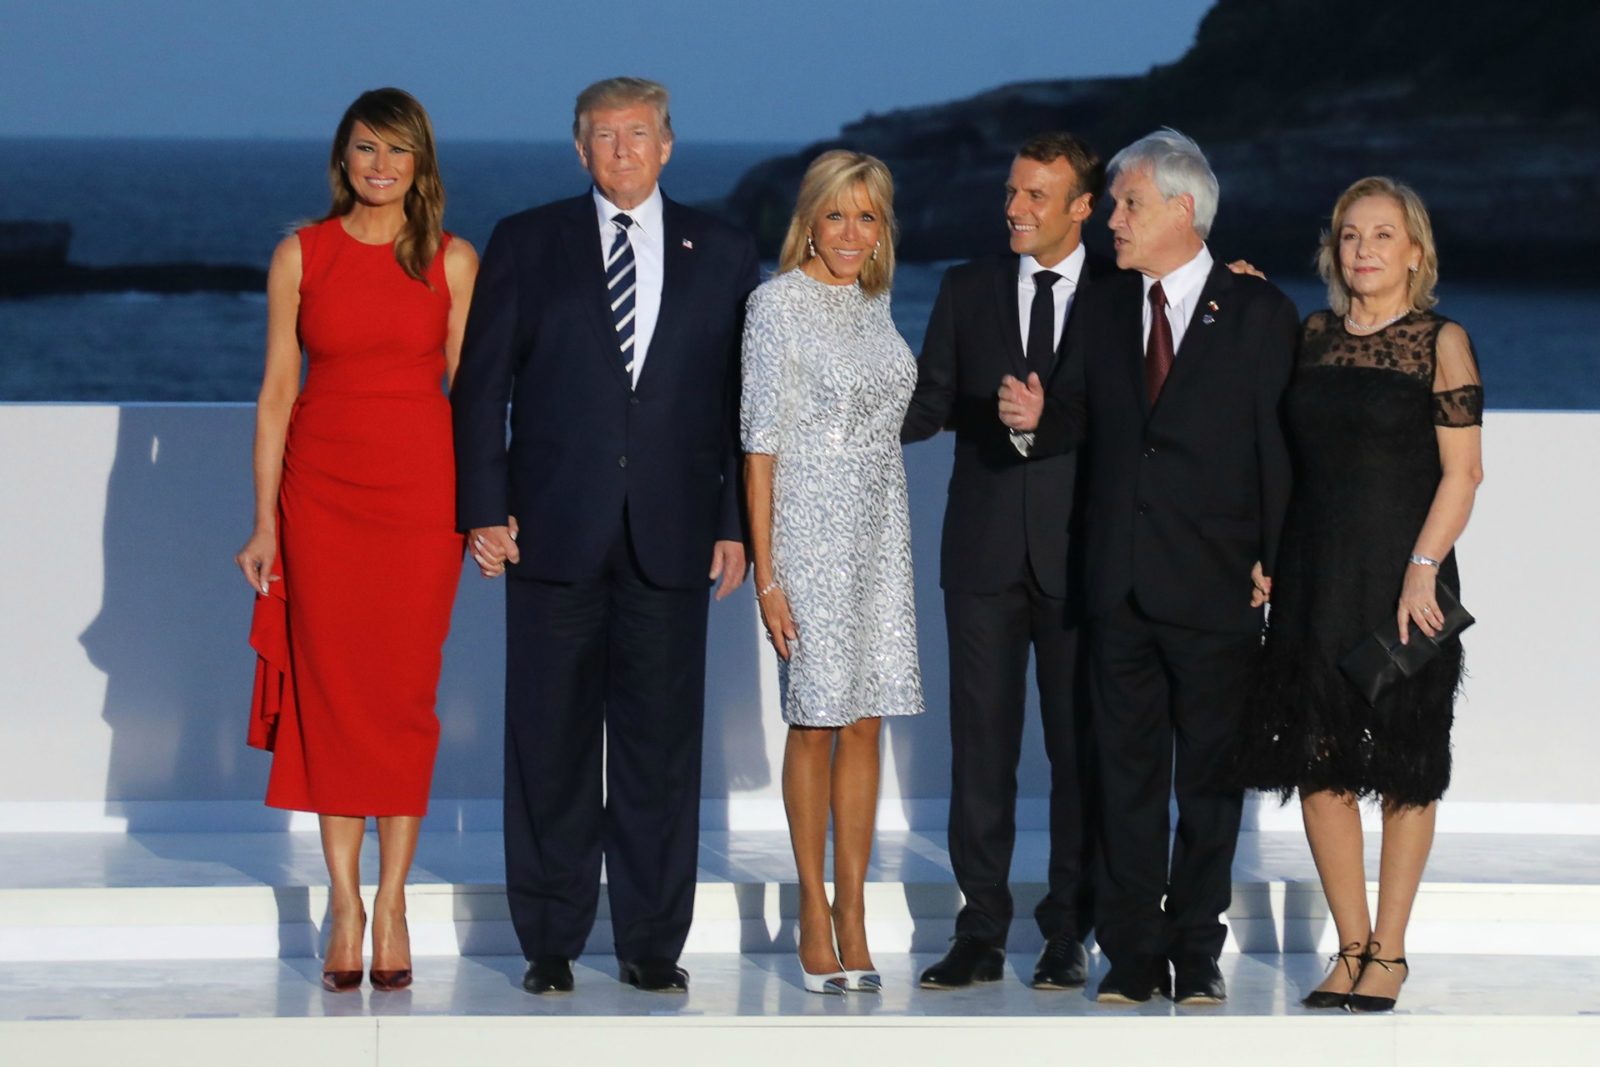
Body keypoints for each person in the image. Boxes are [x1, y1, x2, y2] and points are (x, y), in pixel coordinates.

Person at [451, 77, 759, 996]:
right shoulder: (526, 239)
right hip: (548, 532)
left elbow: (744, 402)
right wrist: (480, 507)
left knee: (660, 752)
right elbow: (480, 389)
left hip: (674, 536)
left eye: (638, 134)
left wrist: (734, 523)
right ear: (577, 149)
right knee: (547, 743)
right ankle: (548, 938)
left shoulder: (728, 250)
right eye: (603, 136)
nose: (622, 150)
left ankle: (652, 943)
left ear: (668, 145)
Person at [1001, 128, 1298, 1005]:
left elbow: (1276, 452)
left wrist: (1275, 564)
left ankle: (1196, 949)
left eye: (1127, 204)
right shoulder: (1101, 305)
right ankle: (1132, 952)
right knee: (1124, 781)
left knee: (1208, 785)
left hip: (1216, 587)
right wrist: (1033, 417)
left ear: (1181, 208)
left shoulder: (1259, 314)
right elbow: (1082, 417)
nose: (1112, 220)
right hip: (1117, 584)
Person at [235, 88, 477, 993]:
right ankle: (345, 902)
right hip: (320, 501)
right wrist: (264, 521)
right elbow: (274, 396)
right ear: (343, 159)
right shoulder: (302, 255)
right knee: (332, 699)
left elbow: (472, 393)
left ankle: (397, 897)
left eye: (397, 151)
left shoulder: (454, 263)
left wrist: (489, 509)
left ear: (421, 165)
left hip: (421, 506)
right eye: (365, 149)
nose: (380, 166)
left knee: (402, 700)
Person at [1235, 178, 1483, 1013]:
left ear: (1415, 249)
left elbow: (1464, 473)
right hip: (1312, 573)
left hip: (1405, 581)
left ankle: (1392, 950)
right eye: (1350, 235)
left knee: (1406, 765)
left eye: (1383, 235)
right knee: (1318, 758)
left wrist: (1423, 566)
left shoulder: (1440, 341)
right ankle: (1349, 945)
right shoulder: (1311, 335)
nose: (1365, 250)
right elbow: (1285, 459)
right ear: (1333, 250)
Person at [901, 132, 1108, 991]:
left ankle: (1069, 931)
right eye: (1012, 192)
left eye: (1035, 196)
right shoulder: (965, 286)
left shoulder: (1126, 293)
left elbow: (1139, 412)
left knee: (1077, 754)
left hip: (1083, 558)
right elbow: (928, 404)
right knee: (980, 753)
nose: (1014, 209)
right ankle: (980, 929)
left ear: (1082, 207)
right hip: (981, 555)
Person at [742, 150, 925, 995]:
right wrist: (768, 575)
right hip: (808, 531)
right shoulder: (774, 307)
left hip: (881, 528)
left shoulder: (876, 303)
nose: (853, 233)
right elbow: (760, 443)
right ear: (809, 221)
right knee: (815, 719)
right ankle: (812, 911)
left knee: (865, 721)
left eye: (869, 216)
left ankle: (854, 910)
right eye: (838, 216)